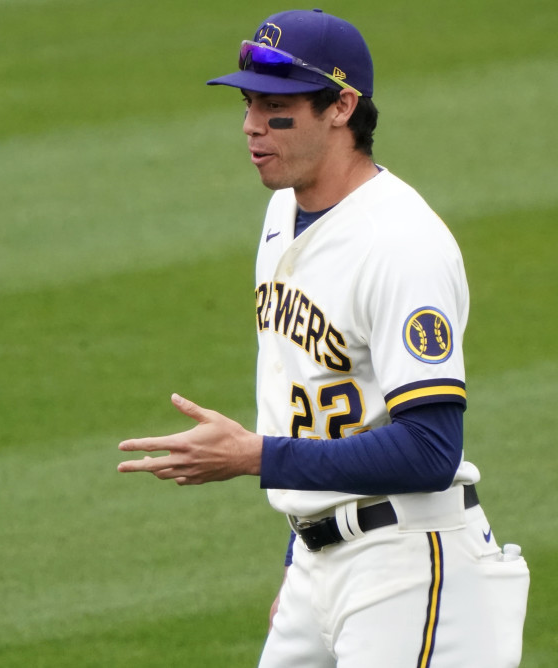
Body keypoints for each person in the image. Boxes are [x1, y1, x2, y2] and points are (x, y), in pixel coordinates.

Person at [117, 9, 528, 667]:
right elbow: (312, 400)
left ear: (341, 106)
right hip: (322, 565)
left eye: (276, 106)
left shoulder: (400, 245)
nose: (251, 125)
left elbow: (430, 448)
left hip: (409, 570)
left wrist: (257, 457)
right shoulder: (285, 210)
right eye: (248, 102)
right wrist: (303, 551)